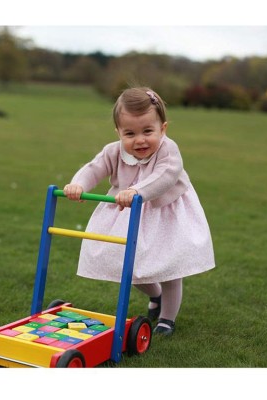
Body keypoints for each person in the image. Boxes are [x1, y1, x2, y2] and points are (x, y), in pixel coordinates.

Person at [63, 87, 215, 336]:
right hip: (130, 212)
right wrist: (79, 184)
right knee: (130, 268)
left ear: (162, 128)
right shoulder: (114, 151)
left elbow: (165, 176)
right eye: (130, 133)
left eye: (147, 131)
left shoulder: (168, 150)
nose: (140, 140)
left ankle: (167, 318)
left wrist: (136, 190)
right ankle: (155, 296)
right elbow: (94, 168)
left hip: (166, 213)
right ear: (119, 132)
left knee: (169, 268)